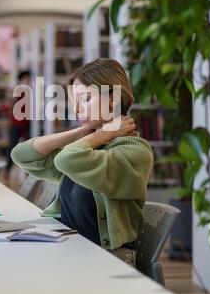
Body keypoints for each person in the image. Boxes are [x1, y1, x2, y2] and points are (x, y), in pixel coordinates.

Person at [11, 58, 153, 266]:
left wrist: (100, 134)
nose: (76, 108)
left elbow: (68, 159)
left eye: (85, 99)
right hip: (69, 250)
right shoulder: (89, 145)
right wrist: (82, 131)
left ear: (112, 99)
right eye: (74, 100)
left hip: (106, 259)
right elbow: (21, 155)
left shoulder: (135, 151)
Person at [6, 70, 31, 172]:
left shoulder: (30, 91)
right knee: (12, 146)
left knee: (28, 148)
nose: (28, 81)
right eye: (26, 78)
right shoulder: (17, 90)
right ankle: (8, 168)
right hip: (16, 123)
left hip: (27, 124)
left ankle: (27, 171)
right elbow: (10, 103)